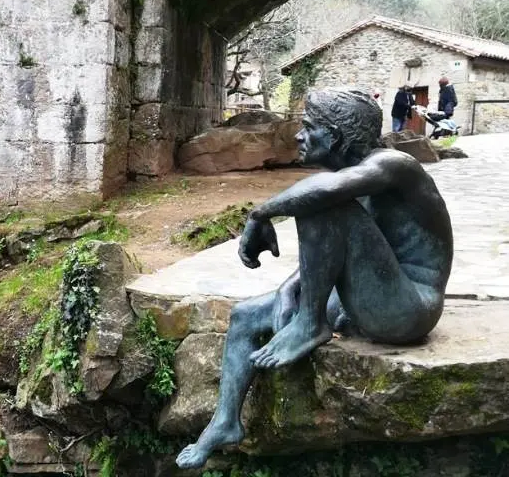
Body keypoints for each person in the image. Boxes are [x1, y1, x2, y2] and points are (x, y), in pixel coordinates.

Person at [176, 88, 453, 470]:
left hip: (409, 309)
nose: (298, 136)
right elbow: (347, 245)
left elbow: (326, 202)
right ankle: (225, 422)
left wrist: (260, 214)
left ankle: (311, 323)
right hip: (378, 291)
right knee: (245, 316)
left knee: (320, 204)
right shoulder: (359, 176)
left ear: (335, 137)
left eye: (309, 128)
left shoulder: (394, 165)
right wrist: (291, 286)